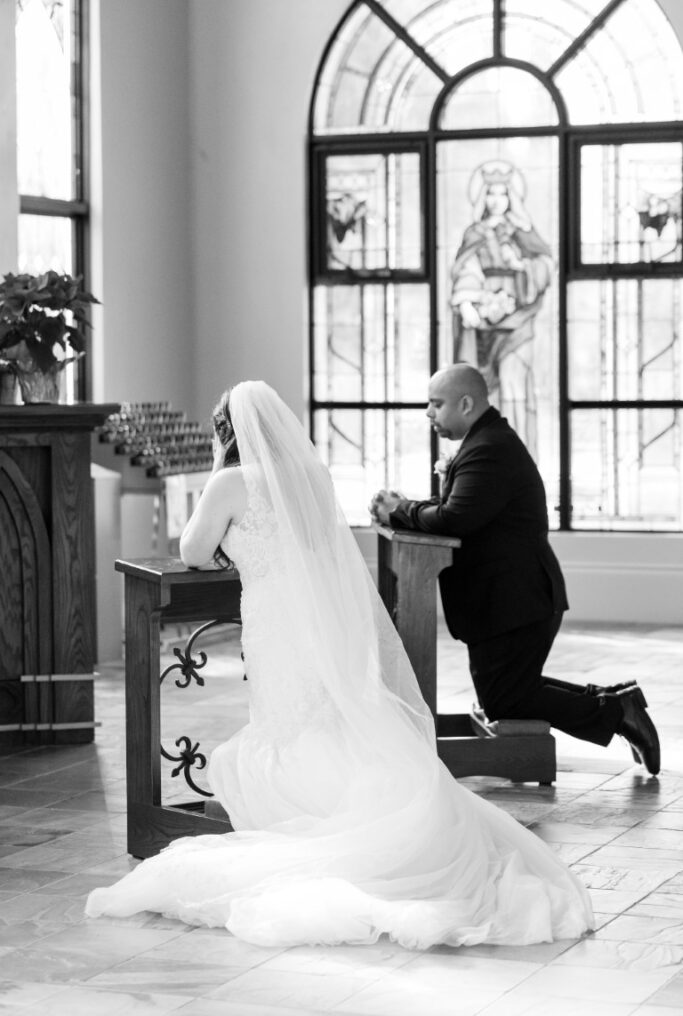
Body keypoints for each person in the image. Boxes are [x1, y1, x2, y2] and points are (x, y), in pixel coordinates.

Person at [86, 379, 595, 949]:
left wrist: (221, 497)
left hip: (275, 623)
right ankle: (352, 811)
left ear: (227, 432)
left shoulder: (231, 481)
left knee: (287, 725)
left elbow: (192, 552)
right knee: (326, 718)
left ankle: (321, 823)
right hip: (320, 621)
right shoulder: (311, 476)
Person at [371, 364, 661, 776]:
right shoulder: (484, 441)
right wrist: (408, 509)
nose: (428, 414)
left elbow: (456, 518)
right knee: (513, 692)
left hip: (514, 599)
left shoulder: (490, 447)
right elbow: (462, 511)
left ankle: (617, 711)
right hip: (504, 599)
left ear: (466, 403)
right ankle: (617, 701)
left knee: (507, 700)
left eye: (436, 404)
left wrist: (400, 509)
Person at [450, 161, 553, 457]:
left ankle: (517, 455)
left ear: (512, 197)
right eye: (491, 194)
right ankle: (485, 457)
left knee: (514, 386)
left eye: (503, 194)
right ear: (483, 197)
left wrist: (521, 266)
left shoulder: (523, 232)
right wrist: (468, 302)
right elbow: (465, 269)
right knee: (484, 392)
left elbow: (545, 265)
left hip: (518, 322)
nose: (497, 200)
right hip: (483, 324)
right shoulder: (475, 233)